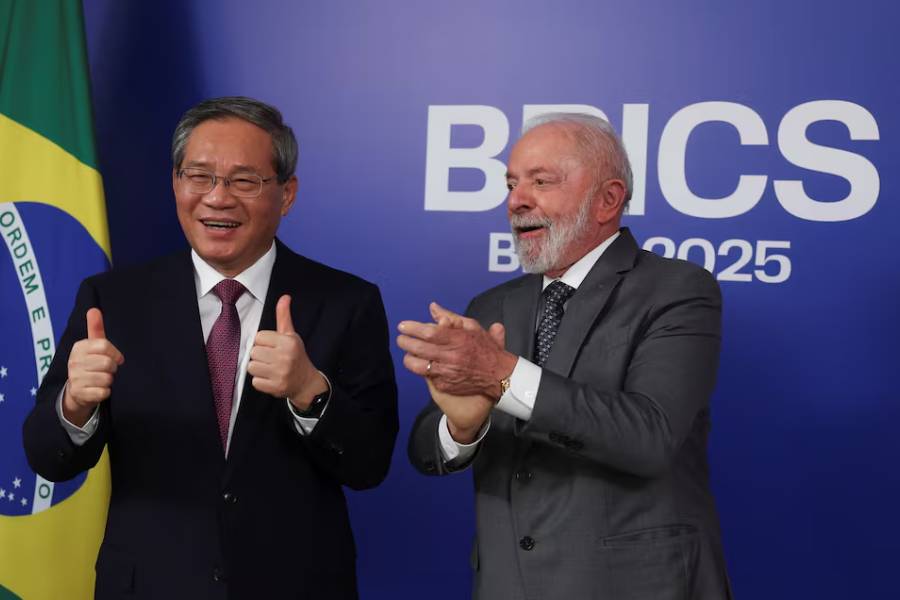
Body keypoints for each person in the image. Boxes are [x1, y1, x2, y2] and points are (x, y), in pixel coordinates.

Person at [23, 96, 398, 599]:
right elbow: (47, 457)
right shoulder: (111, 302)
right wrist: (75, 404)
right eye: (198, 176)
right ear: (176, 183)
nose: (217, 198)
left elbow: (370, 465)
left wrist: (312, 392)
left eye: (244, 181)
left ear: (286, 194)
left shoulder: (346, 303)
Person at [399, 113, 732, 599]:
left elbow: (650, 437)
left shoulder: (677, 290)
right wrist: (462, 428)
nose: (516, 200)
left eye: (541, 181)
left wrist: (504, 377)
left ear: (608, 199)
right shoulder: (491, 307)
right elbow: (427, 451)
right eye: (511, 183)